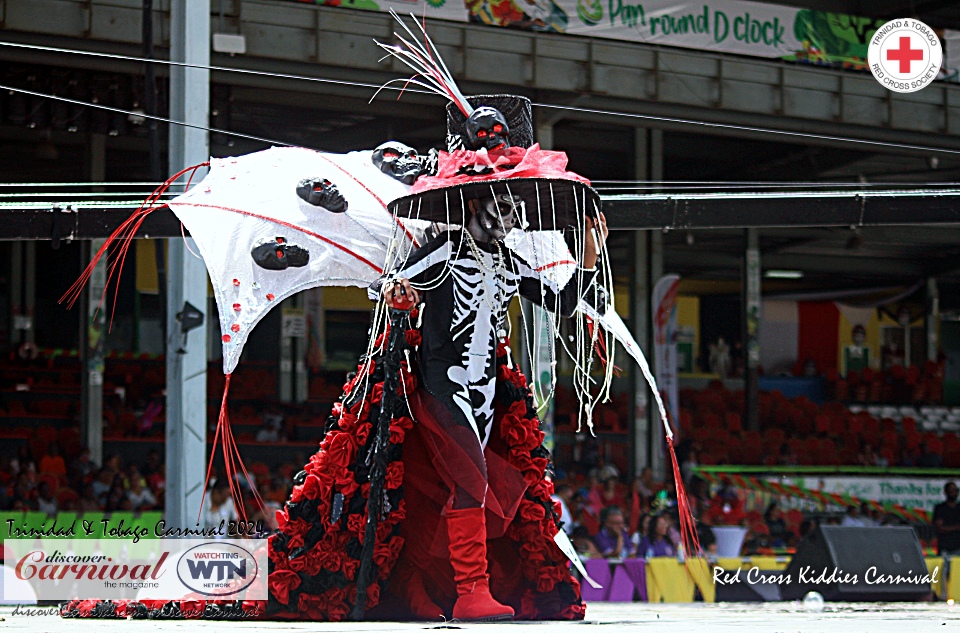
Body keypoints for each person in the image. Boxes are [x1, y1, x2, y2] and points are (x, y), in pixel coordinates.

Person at [376, 193, 607, 620]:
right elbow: (392, 285)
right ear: (473, 206)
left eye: (516, 209)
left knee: (454, 487)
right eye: (501, 205)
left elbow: (562, 303)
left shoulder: (508, 261)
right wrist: (400, 295)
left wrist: (589, 257)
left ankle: (418, 584)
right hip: (442, 380)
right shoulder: (446, 250)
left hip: (486, 386)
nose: (510, 217)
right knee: (471, 480)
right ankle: (471, 590)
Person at [934, 482, 960, 556]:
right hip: (945, 547)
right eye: (951, 491)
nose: (954, 493)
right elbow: (939, 527)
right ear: (946, 492)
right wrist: (956, 527)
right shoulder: (940, 508)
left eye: (956, 491)